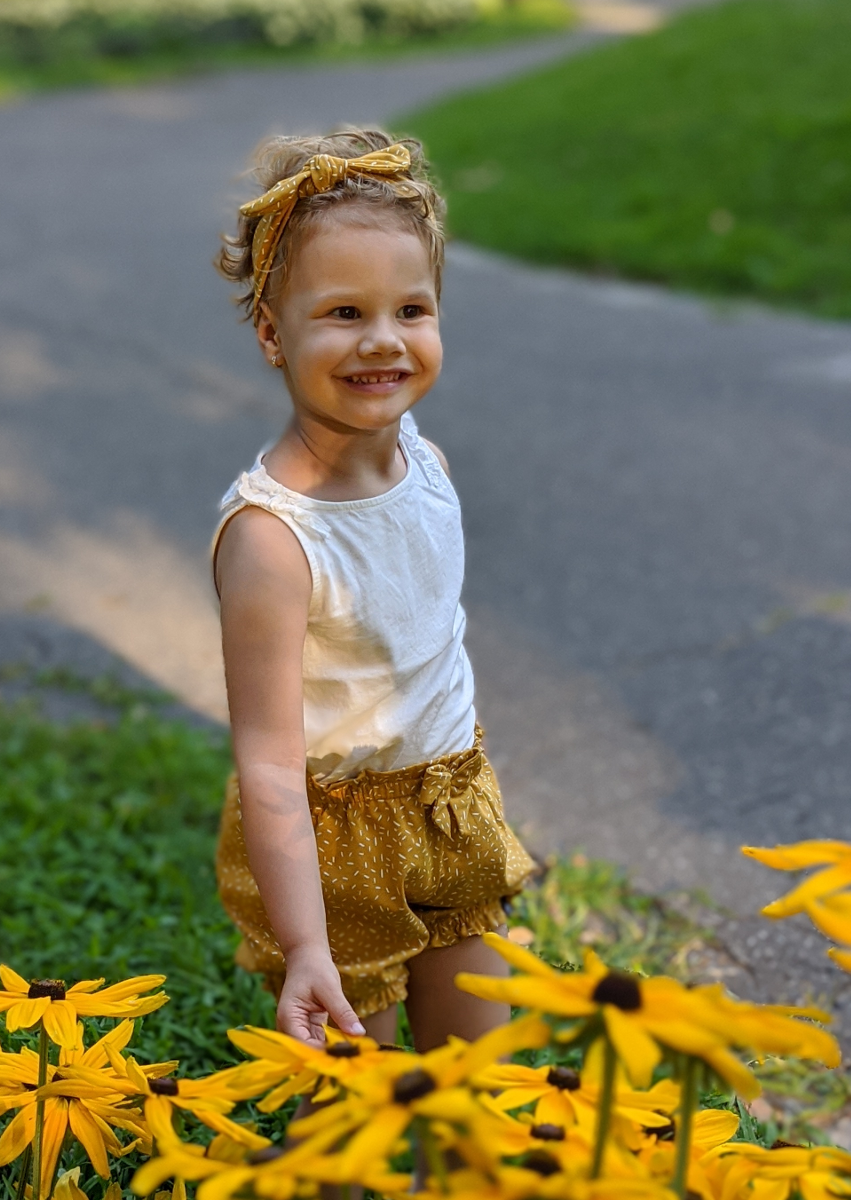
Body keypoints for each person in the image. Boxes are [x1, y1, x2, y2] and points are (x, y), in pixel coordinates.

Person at [212, 129, 535, 1053]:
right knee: (358, 1101)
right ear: (275, 334)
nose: (384, 341)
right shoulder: (275, 540)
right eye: (345, 312)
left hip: (451, 801)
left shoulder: (423, 459)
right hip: (333, 842)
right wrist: (304, 941)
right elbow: (270, 765)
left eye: (412, 310)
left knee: (475, 1082)